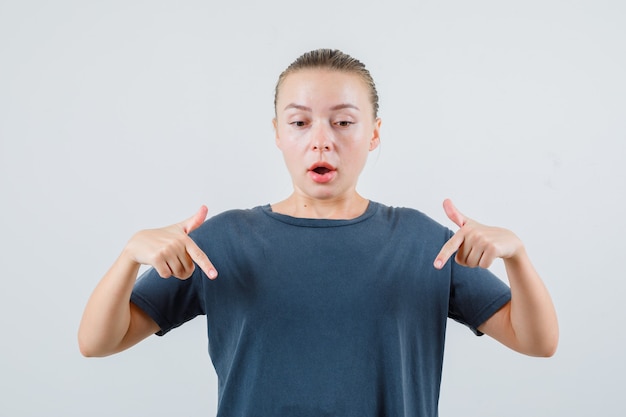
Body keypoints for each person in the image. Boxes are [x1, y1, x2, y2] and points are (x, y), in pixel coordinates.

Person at [78, 49, 558, 416]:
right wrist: (128, 258)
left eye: (344, 121)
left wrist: (517, 256)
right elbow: (99, 341)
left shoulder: (424, 243)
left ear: (373, 133)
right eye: (300, 122)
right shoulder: (220, 243)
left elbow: (537, 341)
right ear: (277, 133)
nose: (321, 139)